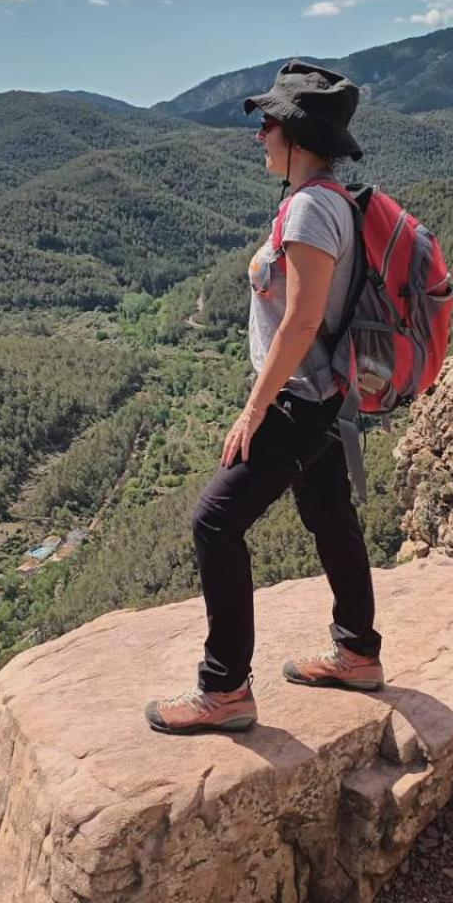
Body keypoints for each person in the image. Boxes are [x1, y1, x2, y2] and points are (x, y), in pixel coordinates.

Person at [145, 61, 385, 735]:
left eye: (268, 124)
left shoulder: (311, 209)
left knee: (214, 524)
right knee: (331, 516)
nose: (260, 137)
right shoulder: (331, 200)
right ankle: (358, 653)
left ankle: (224, 692)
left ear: (297, 137)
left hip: (296, 399)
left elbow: (303, 320)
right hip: (324, 394)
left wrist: (255, 408)